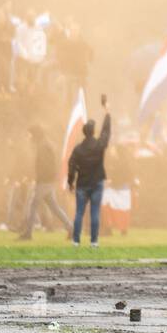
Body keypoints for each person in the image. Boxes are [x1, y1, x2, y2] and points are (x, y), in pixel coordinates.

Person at [67, 96, 111, 247]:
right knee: (94, 213)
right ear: (93, 132)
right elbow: (106, 132)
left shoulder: (78, 149)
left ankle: (76, 241)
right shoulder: (99, 145)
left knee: (79, 213)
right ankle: (94, 241)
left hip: (82, 184)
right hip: (97, 183)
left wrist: (70, 182)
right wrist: (107, 112)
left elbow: (71, 165)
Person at [20, 125, 73, 240]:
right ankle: (71, 228)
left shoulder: (43, 146)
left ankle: (28, 234)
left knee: (32, 206)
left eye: (30, 135)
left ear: (35, 134)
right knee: (54, 207)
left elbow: (44, 166)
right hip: (48, 181)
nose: (29, 137)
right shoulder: (45, 144)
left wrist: (39, 180)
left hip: (44, 182)